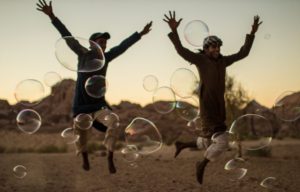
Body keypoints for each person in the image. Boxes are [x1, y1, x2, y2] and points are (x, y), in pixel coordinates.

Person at [36, 0, 152, 174]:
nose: (104, 44)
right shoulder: (83, 54)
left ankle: (110, 156)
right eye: (100, 41)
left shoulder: (107, 57)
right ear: (92, 43)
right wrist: (52, 16)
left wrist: (140, 34)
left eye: (105, 42)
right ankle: (84, 155)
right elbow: (69, 38)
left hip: (98, 105)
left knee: (114, 121)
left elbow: (122, 46)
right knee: (80, 133)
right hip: (81, 106)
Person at [163, 11, 262, 184]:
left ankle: (183, 144)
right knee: (222, 142)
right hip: (208, 108)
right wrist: (174, 31)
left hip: (219, 107)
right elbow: (181, 50)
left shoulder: (223, 61)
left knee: (209, 140)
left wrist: (252, 33)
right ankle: (202, 164)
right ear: (206, 49)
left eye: (218, 47)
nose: (216, 49)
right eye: (213, 47)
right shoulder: (201, 60)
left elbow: (243, 53)